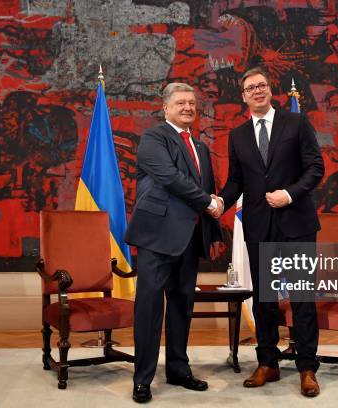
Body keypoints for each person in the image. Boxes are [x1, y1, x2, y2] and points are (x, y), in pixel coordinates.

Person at [215, 67, 325, 397]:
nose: (258, 91)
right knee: (264, 298)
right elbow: (237, 180)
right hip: (259, 226)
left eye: (262, 85)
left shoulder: (296, 123)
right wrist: (221, 201)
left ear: (269, 89)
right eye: (251, 88)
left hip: (296, 224)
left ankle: (307, 367)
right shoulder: (238, 135)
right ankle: (268, 363)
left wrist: (289, 194)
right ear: (244, 96)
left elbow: (315, 167)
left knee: (302, 298)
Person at [124, 82, 223, 403]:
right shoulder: (154, 138)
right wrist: (208, 202)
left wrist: (216, 208)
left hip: (190, 239)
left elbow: (206, 187)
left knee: (182, 307)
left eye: (192, 103)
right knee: (150, 309)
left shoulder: (201, 147)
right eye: (181, 103)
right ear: (165, 107)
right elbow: (169, 178)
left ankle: (179, 370)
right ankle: (143, 379)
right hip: (157, 237)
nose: (188, 108)